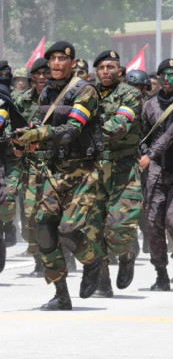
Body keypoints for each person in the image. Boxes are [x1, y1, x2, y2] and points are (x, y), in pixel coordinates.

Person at [13, 41, 105, 310]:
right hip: (53, 170)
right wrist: (25, 143)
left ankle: (92, 260)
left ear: (72, 63)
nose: (55, 64)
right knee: (43, 229)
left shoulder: (85, 91)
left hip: (83, 170)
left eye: (61, 59)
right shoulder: (45, 95)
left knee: (68, 230)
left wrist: (39, 135)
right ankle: (61, 294)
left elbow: (72, 129)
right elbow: (43, 131)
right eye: (51, 59)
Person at [90, 50, 143, 297]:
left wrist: (86, 134)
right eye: (101, 68)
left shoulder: (130, 94)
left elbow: (120, 123)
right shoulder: (88, 94)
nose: (106, 71)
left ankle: (127, 252)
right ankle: (103, 280)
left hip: (123, 168)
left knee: (118, 226)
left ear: (120, 71)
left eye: (111, 67)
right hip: (94, 168)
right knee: (94, 226)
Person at [139, 58, 173, 291]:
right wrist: (144, 154)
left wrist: (150, 154)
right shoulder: (150, 105)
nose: (168, 79)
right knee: (152, 223)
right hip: (157, 170)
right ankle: (160, 272)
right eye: (164, 74)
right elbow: (142, 136)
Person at [15, 58, 50, 276]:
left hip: (57, 165)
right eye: (37, 73)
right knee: (30, 214)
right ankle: (38, 259)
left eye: (46, 73)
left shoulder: (62, 98)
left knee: (55, 215)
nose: (42, 77)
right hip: (30, 165)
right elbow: (13, 125)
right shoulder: (22, 101)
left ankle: (61, 256)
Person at [0, 61, 28, 273]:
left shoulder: (17, 99)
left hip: (13, 157)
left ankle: (8, 225)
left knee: (9, 197)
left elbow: (29, 122)